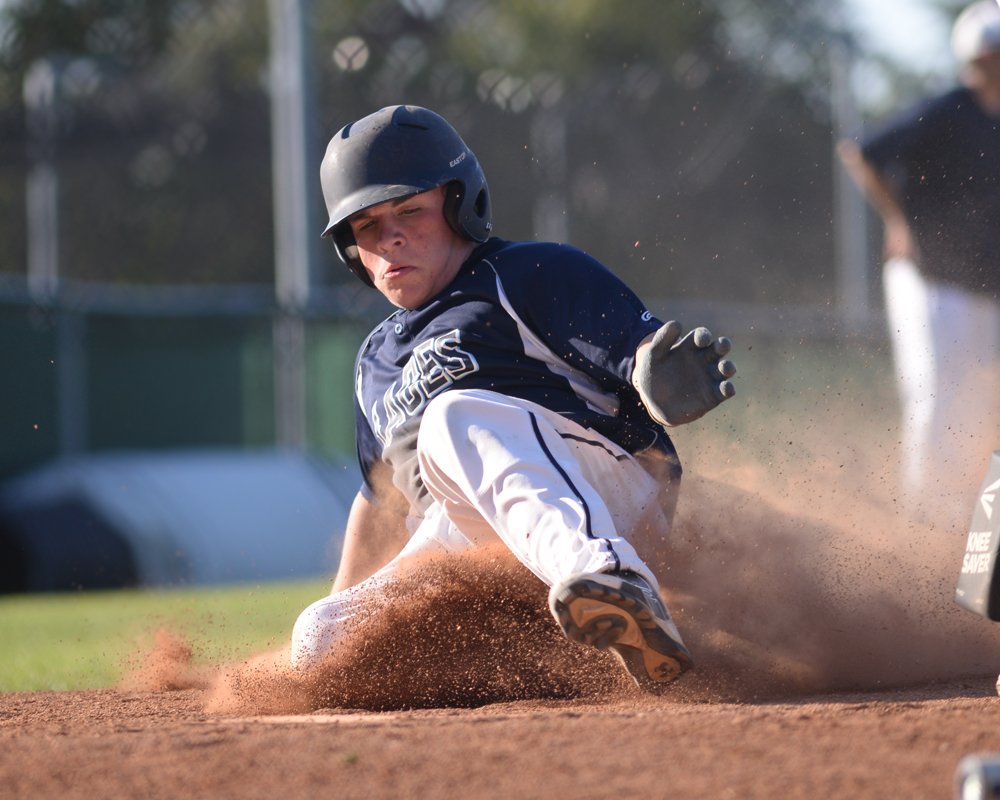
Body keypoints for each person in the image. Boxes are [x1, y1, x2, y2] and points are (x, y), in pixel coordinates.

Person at [290, 104, 736, 693]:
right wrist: (343, 594)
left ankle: (612, 579)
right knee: (321, 636)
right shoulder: (373, 363)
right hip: (480, 551)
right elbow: (379, 501)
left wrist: (655, 369)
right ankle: (558, 665)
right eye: (367, 225)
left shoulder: (524, 273)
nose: (390, 235)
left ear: (459, 205)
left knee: (453, 417)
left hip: (610, 498)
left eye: (409, 210)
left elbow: (638, 349)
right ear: (352, 249)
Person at [837, 0, 1000, 520]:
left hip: (985, 285)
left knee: (977, 407)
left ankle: (966, 518)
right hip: (929, 278)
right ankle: (926, 521)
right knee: (936, 396)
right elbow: (861, 150)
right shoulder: (950, 109)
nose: (989, 65)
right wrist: (897, 220)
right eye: (985, 56)